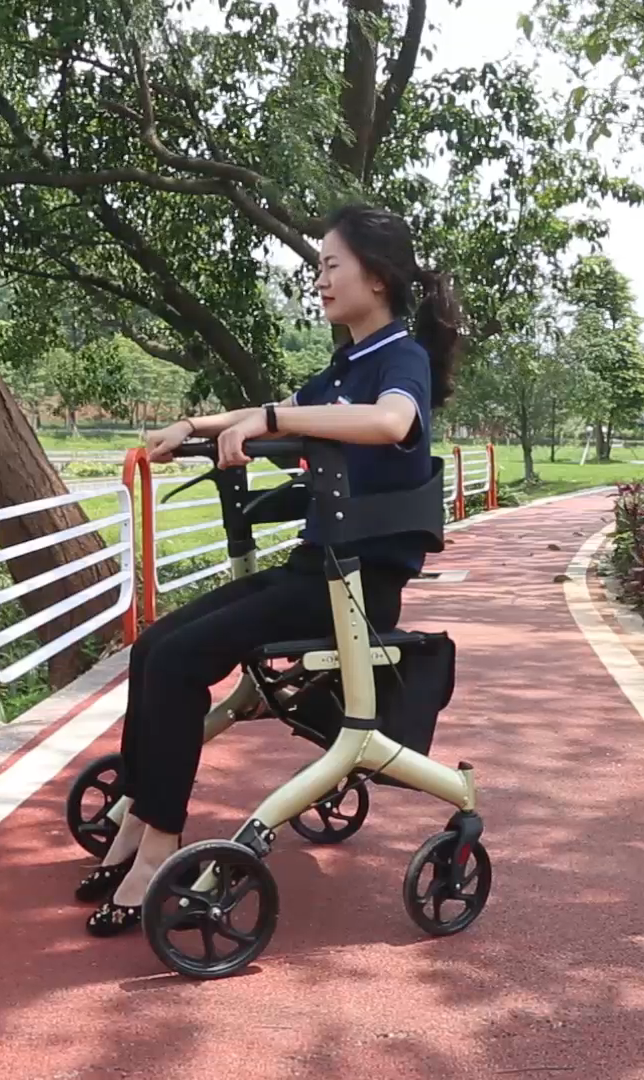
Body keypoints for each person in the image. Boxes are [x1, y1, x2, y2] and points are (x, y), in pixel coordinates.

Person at [78, 203, 463, 936]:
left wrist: (276, 423)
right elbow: (271, 408)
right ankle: (138, 821)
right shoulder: (345, 365)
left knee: (185, 659)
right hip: (314, 571)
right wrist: (196, 427)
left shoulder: (396, 358)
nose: (318, 280)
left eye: (330, 265)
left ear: (376, 278)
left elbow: (391, 423)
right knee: (155, 647)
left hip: (355, 589)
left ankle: (160, 837)